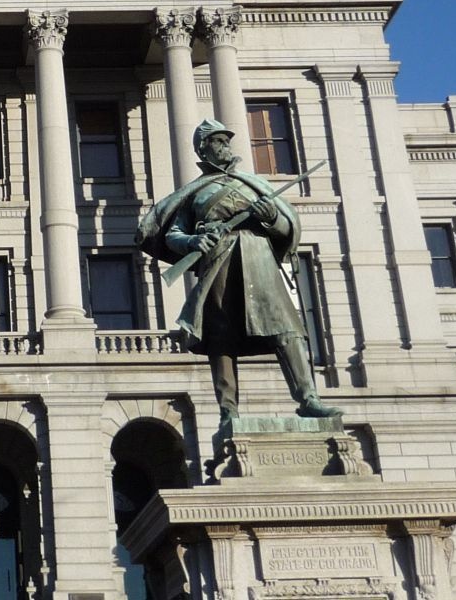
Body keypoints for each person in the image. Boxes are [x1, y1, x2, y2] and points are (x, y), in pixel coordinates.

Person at [138, 118, 342, 445]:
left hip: (257, 256)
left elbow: (287, 230)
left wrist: (271, 217)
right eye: (217, 142)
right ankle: (228, 411)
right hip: (220, 261)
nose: (225, 146)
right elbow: (174, 234)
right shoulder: (196, 193)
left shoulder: (252, 183)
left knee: (287, 329)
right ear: (203, 148)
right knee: (221, 339)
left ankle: (308, 399)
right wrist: (193, 242)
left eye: (226, 141)